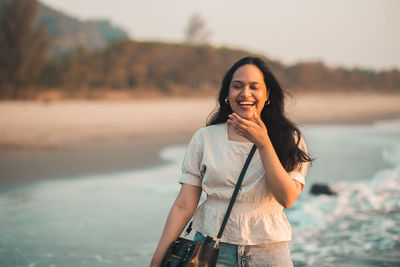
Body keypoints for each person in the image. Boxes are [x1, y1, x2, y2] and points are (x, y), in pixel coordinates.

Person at [150, 56, 313, 266]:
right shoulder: (205, 138)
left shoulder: (290, 139)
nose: (245, 93)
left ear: (267, 94)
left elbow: (287, 198)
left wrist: (264, 144)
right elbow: (184, 205)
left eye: (254, 87)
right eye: (237, 86)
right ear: (227, 94)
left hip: (269, 253)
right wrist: (158, 258)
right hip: (211, 250)